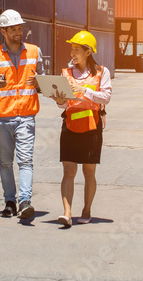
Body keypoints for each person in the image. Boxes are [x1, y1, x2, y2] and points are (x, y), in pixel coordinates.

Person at [0, 9, 42, 220]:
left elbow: (43, 81)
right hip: (3, 117)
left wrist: (40, 83)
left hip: (26, 115)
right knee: (5, 162)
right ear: (4, 31)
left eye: (20, 28)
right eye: (14, 29)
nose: (19, 32)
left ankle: (25, 201)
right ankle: (9, 202)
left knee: (25, 161)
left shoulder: (34, 51)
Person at [48, 30, 112, 228]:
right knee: (68, 171)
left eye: (77, 50)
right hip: (70, 125)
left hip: (92, 126)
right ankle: (67, 213)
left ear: (88, 52)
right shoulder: (66, 73)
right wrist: (59, 101)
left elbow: (106, 97)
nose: (72, 54)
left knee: (89, 172)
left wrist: (86, 91)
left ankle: (86, 210)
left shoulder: (102, 72)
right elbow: (63, 105)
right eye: (71, 49)